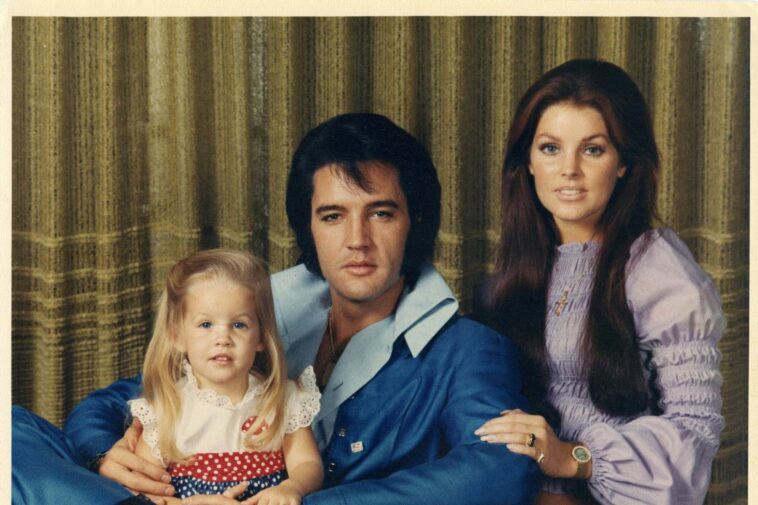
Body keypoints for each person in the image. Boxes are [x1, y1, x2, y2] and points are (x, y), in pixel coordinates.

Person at [13, 112, 540, 505]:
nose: (356, 239)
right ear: (309, 227)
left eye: (380, 213)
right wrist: (107, 457)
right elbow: (116, 402)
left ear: (415, 221)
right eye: (332, 216)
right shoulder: (258, 312)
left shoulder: (468, 348)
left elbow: (500, 470)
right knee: (10, 431)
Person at [473, 59, 725, 504]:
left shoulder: (656, 268)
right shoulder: (509, 276)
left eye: (593, 149)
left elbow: (696, 434)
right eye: (550, 148)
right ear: (528, 161)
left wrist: (574, 458)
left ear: (623, 163)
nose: (569, 169)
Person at [128, 249, 322, 504]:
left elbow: (308, 464)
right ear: (177, 336)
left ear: (260, 337)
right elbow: (144, 490)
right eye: (205, 325)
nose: (223, 339)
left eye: (239, 325)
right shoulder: (167, 409)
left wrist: (292, 487)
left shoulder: (283, 400)